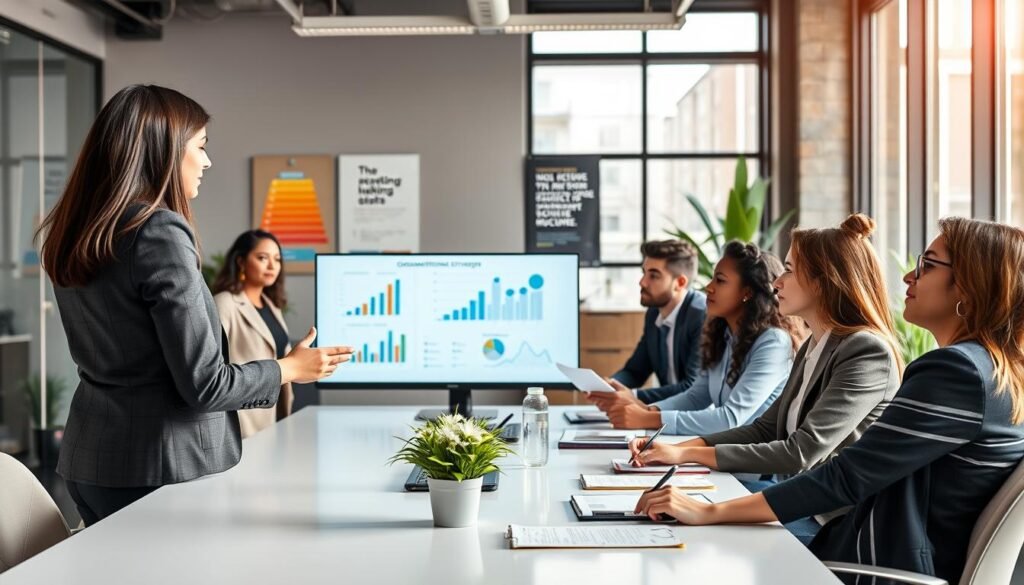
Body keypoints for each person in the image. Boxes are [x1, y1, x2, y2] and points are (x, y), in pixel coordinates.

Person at [633, 217, 1024, 584]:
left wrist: (710, 512)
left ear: (970, 286)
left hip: (873, 558)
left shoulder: (957, 372)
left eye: (927, 265)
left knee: (688, 555)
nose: (908, 275)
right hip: (888, 547)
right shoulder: (987, 369)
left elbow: (844, 477)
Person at [37, 84, 353, 526]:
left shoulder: (75, 231)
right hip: (162, 467)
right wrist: (291, 368)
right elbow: (206, 385)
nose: (207, 161)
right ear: (162, 151)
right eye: (200, 147)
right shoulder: (159, 232)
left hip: (92, 462)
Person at [629, 214, 902, 543]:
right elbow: (765, 429)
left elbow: (799, 452)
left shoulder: (865, 351)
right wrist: (678, 447)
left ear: (822, 280)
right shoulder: (815, 346)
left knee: (702, 541)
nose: (777, 282)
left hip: (836, 525)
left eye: (789, 269)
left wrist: (686, 454)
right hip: (801, 507)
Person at [590, 241, 801, 434]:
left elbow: (730, 418)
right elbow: (696, 396)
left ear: (747, 292)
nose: (708, 287)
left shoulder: (773, 343)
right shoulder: (724, 335)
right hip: (721, 458)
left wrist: (649, 418)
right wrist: (647, 410)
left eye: (720, 280)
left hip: (752, 471)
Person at [212, 230, 293, 438]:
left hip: (275, 420)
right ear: (241, 261)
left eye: (277, 259)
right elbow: (210, 370)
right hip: (241, 425)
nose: (272, 266)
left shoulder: (272, 306)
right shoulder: (225, 303)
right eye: (262, 258)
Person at [610, 240, 707, 400]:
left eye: (654, 275)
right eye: (644, 273)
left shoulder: (701, 315)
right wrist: (610, 387)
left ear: (680, 283)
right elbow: (635, 371)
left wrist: (631, 396)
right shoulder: (654, 313)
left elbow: (692, 387)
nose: (642, 282)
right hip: (665, 414)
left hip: (696, 418)